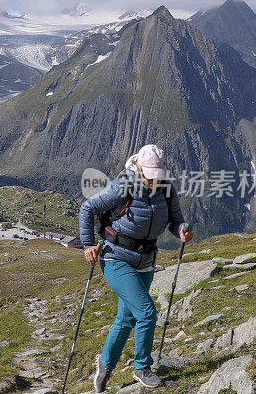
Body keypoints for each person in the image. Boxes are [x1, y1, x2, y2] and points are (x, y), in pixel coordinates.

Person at [78, 144, 193, 392]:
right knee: (147, 312)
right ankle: (142, 368)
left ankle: (104, 367)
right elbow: (87, 208)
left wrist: (182, 229)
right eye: (150, 175)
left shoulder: (167, 188)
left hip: (146, 260)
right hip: (116, 257)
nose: (153, 181)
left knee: (126, 317)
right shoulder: (123, 186)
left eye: (157, 175)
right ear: (139, 167)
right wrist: (88, 244)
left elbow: (175, 221)